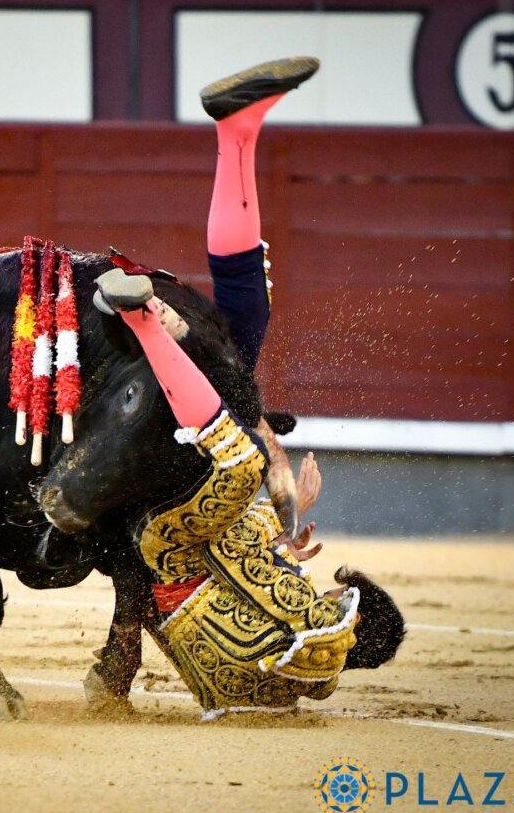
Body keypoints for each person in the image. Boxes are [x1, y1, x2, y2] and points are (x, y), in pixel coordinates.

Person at [89, 58, 404, 716]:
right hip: (183, 559)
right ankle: (237, 132)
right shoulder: (293, 653)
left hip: (173, 551)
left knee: (239, 460)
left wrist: (282, 502)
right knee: (244, 324)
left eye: (335, 598)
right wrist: (284, 526)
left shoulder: (317, 641)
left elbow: (240, 555)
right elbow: (250, 572)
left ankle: (145, 318)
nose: (324, 594)